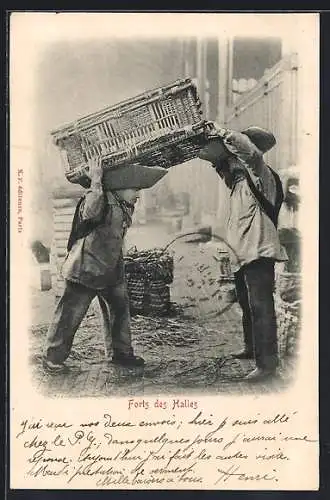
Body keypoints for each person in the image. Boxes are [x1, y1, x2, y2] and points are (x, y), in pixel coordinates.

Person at [43, 157, 167, 374]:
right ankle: (52, 358)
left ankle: (121, 354)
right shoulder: (101, 199)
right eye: (135, 189)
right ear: (119, 187)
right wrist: (97, 181)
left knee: (120, 309)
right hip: (86, 268)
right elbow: (89, 212)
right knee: (70, 314)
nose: (138, 194)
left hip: (111, 268)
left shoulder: (123, 203)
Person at [198, 123, 287, 382]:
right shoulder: (238, 183)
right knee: (246, 304)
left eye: (235, 152)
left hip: (259, 251)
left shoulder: (261, 175)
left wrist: (224, 133)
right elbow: (223, 168)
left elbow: (251, 155)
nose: (231, 158)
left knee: (261, 307)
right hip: (242, 254)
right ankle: (251, 349)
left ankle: (267, 366)